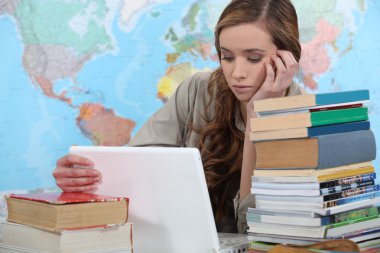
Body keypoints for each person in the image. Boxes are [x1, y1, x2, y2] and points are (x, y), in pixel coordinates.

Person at [53, 0, 303, 233]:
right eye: (227, 57)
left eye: (253, 58)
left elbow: (255, 231)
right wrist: (85, 180)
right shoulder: (198, 90)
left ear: (287, 59)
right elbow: (138, 168)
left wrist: (260, 117)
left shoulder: (305, 119)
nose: (236, 72)